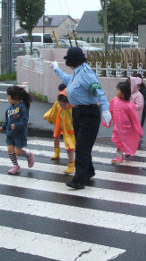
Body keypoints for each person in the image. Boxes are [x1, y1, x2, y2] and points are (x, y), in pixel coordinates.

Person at [51, 47, 111, 190]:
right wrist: (56, 69)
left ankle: (79, 180)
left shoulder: (86, 73)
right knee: (83, 145)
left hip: (89, 113)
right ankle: (88, 171)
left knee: (82, 147)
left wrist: (106, 109)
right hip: (78, 112)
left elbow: (98, 91)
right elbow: (67, 80)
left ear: (73, 61)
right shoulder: (77, 72)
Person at [103, 81, 144, 164]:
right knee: (118, 141)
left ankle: (123, 153)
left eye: (119, 90)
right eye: (117, 90)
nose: (117, 92)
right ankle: (120, 154)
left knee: (125, 141)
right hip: (117, 126)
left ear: (124, 93)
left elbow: (134, 118)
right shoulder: (114, 101)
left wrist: (138, 130)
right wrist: (107, 121)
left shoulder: (129, 105)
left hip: (126, 128)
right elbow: (110, 111)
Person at [0, 86, 34, 174]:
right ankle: (16, 166)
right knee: (10, 150)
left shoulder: (22, 108)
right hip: (10, 133)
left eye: (8, 96)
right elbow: (7, 120)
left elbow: (25, 121)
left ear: (14, 97)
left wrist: (17, 125)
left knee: (18, 152)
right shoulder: (9, 108)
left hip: (19, 134)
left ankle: (29, 156)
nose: (7, 98)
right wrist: (3, 126)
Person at [53, 89, 75, 173]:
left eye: (64, 104)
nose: (62, 106)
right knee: (69, 149)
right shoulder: (62, 110)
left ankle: (73, 163)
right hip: (67, 134)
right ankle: (71, 165)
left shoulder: (74, 109)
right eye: (60, 105)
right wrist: (57, 133)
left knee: (76, 150)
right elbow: (58, 122)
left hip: (75, 134)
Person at [43, 83, 67, 160]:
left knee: (68, 139)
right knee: (56, 137)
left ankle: (70, 153)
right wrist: (48, 117)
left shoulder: (70, 101)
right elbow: (53, 111)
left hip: (67, 123)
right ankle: (56, 153)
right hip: (59, 122)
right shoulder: (58, 102)